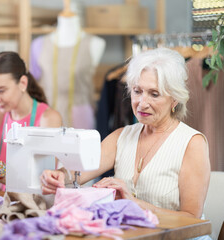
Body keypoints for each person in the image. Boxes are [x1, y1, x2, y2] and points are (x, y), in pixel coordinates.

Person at [41, 48, 211, 219]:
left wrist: (134, 204)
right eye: (137, 91)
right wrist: (60, 176)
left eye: (154, 94)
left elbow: (192, 218)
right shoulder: (121, 136)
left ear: (174, 98)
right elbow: (80, 171)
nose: (142, 103)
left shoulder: (192, 143)